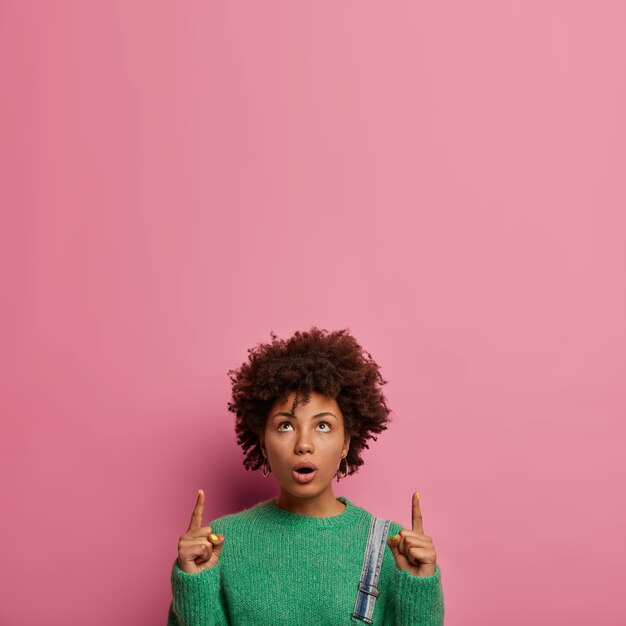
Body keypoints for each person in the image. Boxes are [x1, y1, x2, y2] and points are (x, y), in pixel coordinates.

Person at [167, 327, 444, 625]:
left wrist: (419, 588)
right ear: (263, 442)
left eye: (323, 426)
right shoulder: (220, 544)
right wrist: (194, 583)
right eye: (285, 426)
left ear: (346, 443)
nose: (304, 444)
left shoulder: (390, 547)